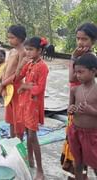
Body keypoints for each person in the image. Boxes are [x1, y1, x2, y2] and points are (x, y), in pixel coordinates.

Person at [61, 22, 97, 180]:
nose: (81, 43)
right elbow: (72, 80)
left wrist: (73, 58)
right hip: (76, 104)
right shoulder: (79, 57)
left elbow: (71, 77)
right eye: (78, 39)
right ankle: (79, 175)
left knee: (90, 152)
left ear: (93, 41)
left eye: (85, 39)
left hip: (89, 109)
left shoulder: (91, 60)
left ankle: (82, 174)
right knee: (76, 149)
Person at [15, 37, 49, 180]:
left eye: (31, 49)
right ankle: (30, 160)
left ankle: (40, 171)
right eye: (26, 49)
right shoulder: (29, 64)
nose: (27, 52)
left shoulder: (42, 67)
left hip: (33, 105)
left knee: (32, 136)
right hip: (25, 103)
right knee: (27, 133)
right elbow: (17, 77)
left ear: (39, 51)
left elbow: (40, 88)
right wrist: (21, 64)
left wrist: (25, 86)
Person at [67, 53, 97, 180]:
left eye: (81, 72)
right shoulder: (75, 90)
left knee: (95, 165)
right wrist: (71, 109)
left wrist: (92, 111)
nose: (77, 75)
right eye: (76, 72)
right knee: (78, 163)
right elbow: (69, 109)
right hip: (75, 131)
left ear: (93, 71)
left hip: (92, 134)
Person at [1, 25, 26, 139]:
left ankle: (19, 140)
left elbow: (19, 74)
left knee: (18, 116)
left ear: (20, 38)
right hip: (7, 86)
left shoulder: (23, 52)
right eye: (8, 37)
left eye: (12, 38)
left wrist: (4, 82)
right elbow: (6, 68)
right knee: (10, 116)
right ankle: (12, 139)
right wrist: (3, 85)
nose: (9, 40)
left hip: (17, 88)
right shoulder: (11, 51)